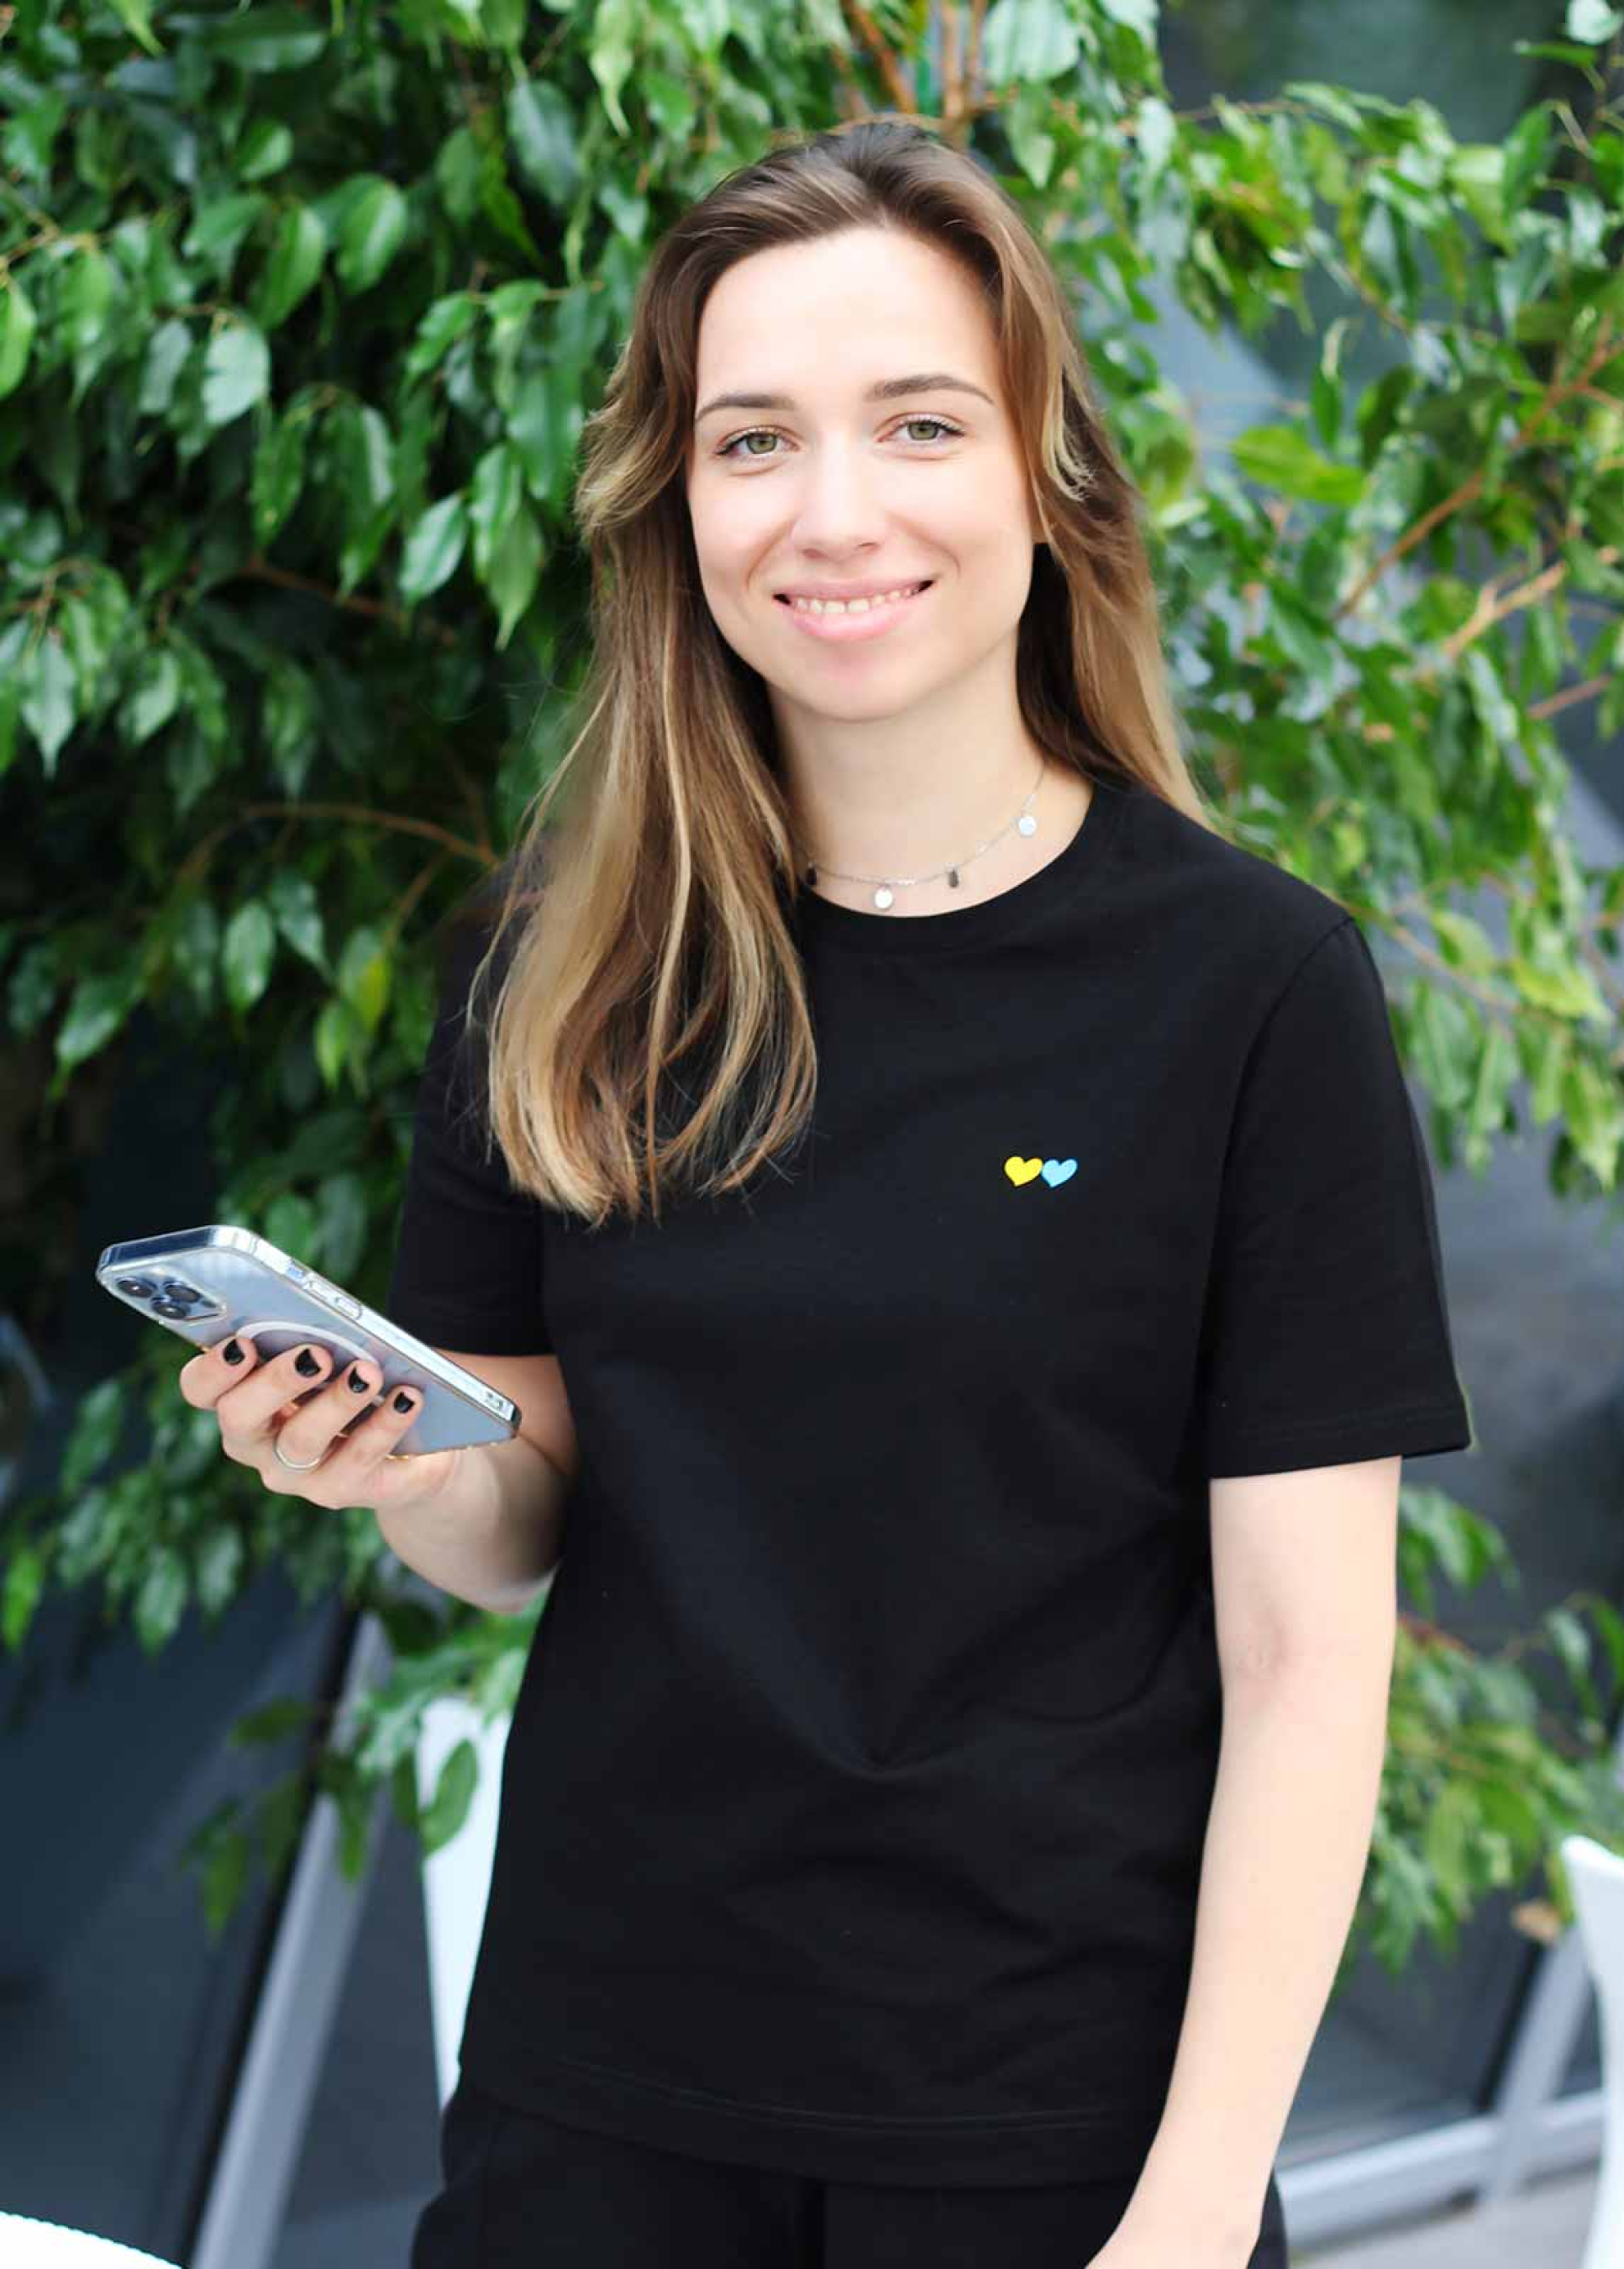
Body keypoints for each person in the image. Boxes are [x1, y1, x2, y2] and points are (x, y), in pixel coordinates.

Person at [181, 119, 1472, 2269]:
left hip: (1043, 2135)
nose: (832, 510)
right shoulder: (558, 973)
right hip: (600, 2092)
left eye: (919, 423)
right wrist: (390, 1462)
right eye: (753, 439)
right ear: (677, 504)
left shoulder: (1248, 990)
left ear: (1047, 476)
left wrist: (1181, 2216)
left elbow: (1305, 1665)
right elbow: (514, 1528)